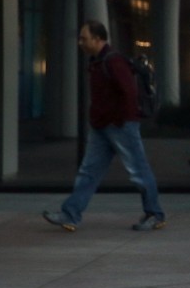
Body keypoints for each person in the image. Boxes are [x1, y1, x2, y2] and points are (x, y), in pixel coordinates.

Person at [43, 21, 166, 232]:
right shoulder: (97, 62)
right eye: (80, 38)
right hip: (103, 126)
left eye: (84, 38)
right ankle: (70, 214)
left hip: (120, 126)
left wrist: (118, 120)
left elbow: (129, 94)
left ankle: (155, 214)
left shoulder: (113, 62)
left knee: (138, 170)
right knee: (88, 172)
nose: (80, 42)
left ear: (98, 39)